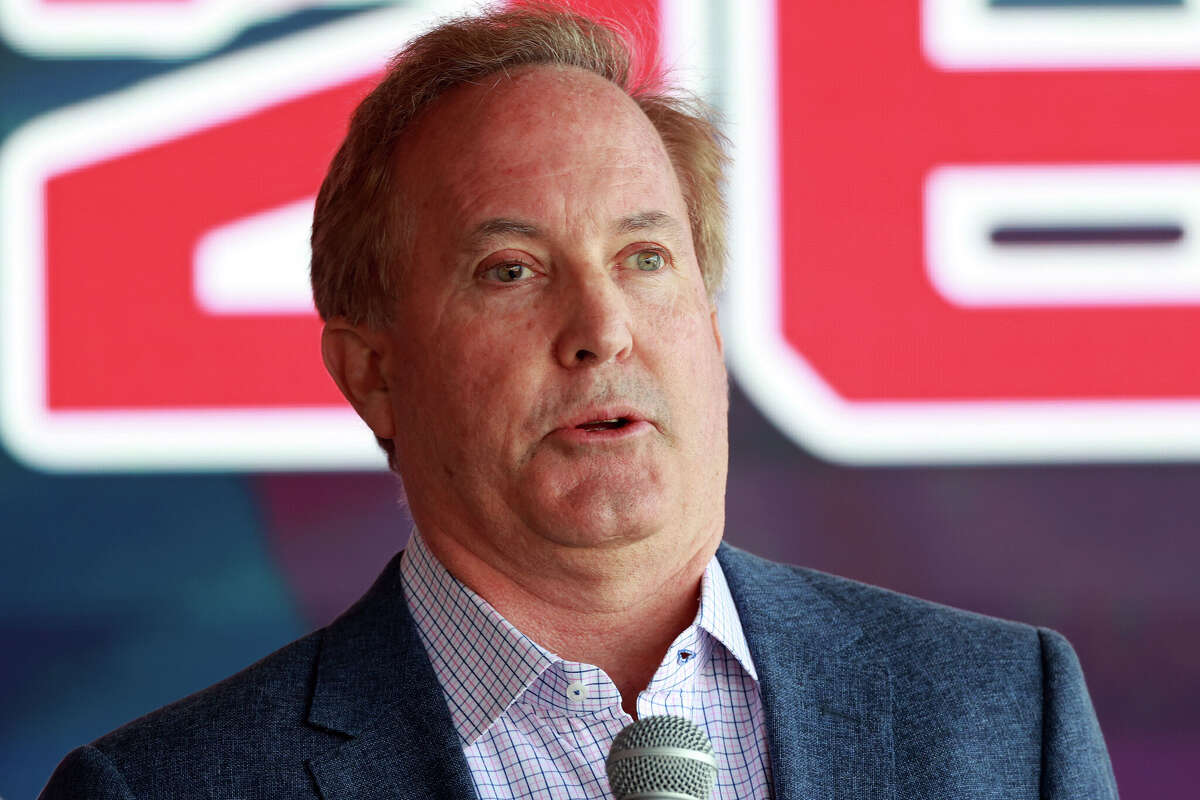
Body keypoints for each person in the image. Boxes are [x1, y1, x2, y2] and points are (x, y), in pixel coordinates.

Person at [40, 6, 1118, 799]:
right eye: (511, 269)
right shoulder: (164, 785)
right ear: (374, 371)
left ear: (709, 321)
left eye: (646, 257)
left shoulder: (1001, 716)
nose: (603, 326)